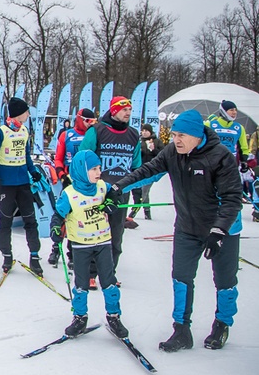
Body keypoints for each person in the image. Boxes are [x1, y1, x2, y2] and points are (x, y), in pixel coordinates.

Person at [114, 110, 241, 351]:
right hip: (187, 227)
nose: (176, 140)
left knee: (224, 281)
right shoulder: (173, 152)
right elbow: (149, 170)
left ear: (196, 135)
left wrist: (219, 230)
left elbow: (232, 199)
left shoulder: (221, 157)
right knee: (181, 278)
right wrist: (118, 187)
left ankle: (222, 324)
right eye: (173, 134)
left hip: (222, 229)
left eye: (181, 135)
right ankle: (181, 330)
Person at [50, 150, 127, 338]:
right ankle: (79, 317)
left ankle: (114, 316)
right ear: (82, 170)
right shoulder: (69, 193)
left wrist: (111, 202)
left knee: (108, 281)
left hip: (103, 242)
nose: (98, 172)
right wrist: (55, 229)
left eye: (99, 168)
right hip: (80, 245)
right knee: (81, 283)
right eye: (93, 169)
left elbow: (115, 194)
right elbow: (58, 215)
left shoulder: (101, 186)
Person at [79, 96, 140, 273]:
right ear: (114, 111)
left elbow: (136, 165)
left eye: (129, 109)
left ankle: (109, 271)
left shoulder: (133, 134)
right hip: (97, 190)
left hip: (121, 190)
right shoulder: (97, 130)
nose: (128, 113)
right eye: (124, 109)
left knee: (116, 232)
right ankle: (90, 271)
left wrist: (137, 190)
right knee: (94, 230)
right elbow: (82, 157)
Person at [0, 97, 44, 274]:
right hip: (6, 183)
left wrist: (32, 170)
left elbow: (26, 155)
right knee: (5, 221)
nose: (28, 114)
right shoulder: (0, 132)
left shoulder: (25, 130)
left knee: (30, 220)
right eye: (26, 111)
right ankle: (7, 255)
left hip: (23, 183)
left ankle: (34, 256)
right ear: (19, 114)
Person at [48, 108, 97, 266]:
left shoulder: (94, 134)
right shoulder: (67, 134)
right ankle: (56, 248)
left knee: (81, 217)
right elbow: (58, 158)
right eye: (88, 121)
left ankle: (74, 251)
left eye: (93, 122)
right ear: (79, 119)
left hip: (86, 183)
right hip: (69, 180)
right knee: (63, 213)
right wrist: (61, 175)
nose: (90, 124)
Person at [128, 123, 162, 222]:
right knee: (142, 191)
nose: (144, 132)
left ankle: (134, 211)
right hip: (140, 170)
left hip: (152, 171)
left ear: (150, 132)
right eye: (143, 130)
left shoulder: (157, 141)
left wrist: (153, 149)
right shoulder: (138, 142)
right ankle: (147, 212)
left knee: (144, 191)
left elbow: (162, 155)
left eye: (146, 131)